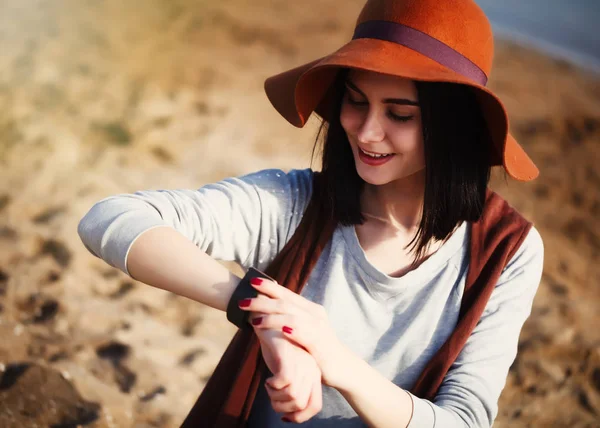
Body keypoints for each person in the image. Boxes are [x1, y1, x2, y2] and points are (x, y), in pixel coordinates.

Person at [77, 0, 544, 426]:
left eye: (400, 115)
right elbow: (112, 219)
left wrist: (338, 363)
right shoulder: (295, 204)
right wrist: (261, 313)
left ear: (452, 128)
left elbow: (466, 419)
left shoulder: (506, 251)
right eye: (356, 101)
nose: (366, 132)